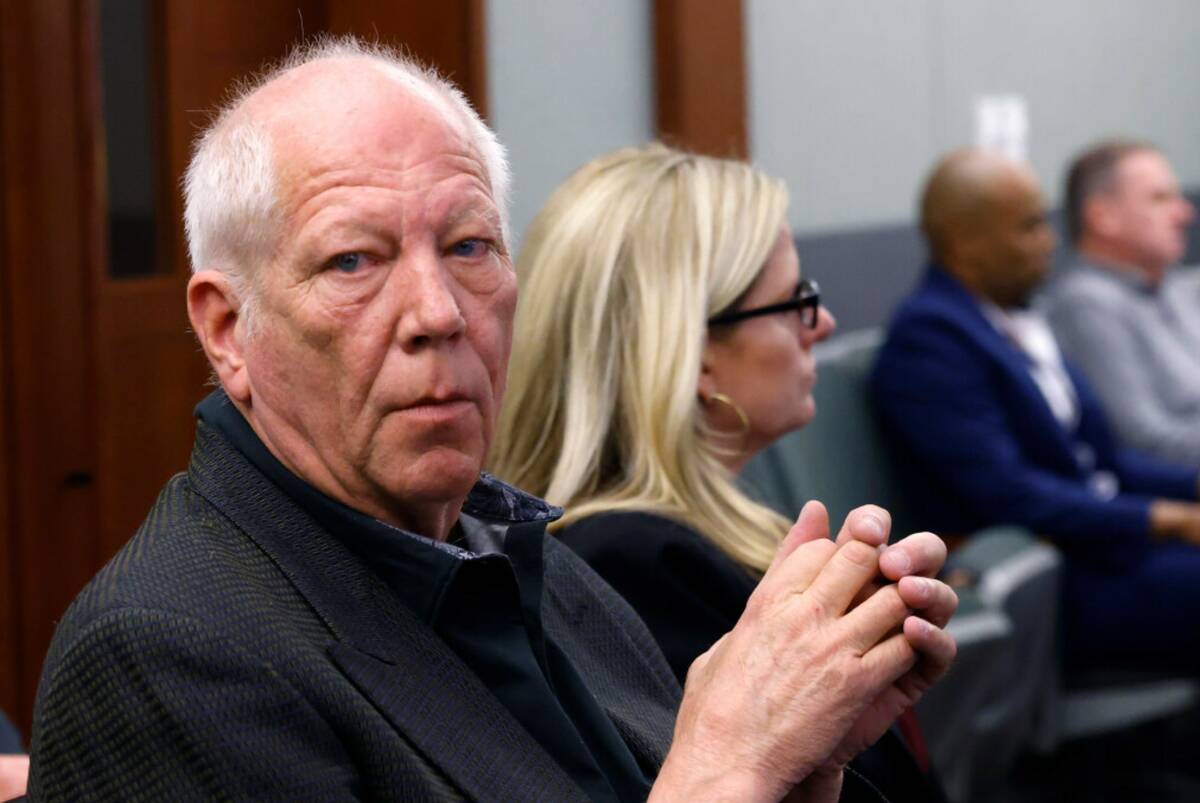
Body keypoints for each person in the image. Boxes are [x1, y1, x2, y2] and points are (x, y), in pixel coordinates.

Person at [28, 39, 957, 802]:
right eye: (355, 261)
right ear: (228, 330)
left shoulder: (524, 557)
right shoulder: (170, 651)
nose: (437, 311)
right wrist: (730, 767)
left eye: (470, 246)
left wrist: (802, 758)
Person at [490, 143, 950, 803]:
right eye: (795, 300)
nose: (822, 323)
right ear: (696, 354)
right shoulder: (635, 566)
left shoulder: (663, 540)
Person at [871, 148, 1200, 668]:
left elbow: (1100, 460)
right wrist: (1167, 518)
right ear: (965, 241)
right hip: (1054, 575)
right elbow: (1010, 493)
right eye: (1028, 228)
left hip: (1110, 546)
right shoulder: (930, 340)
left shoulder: (1013, 317)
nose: (1049, 242)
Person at [1042, 140, 1200, 465]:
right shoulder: (1087, 304)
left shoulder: (1177, 286)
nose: (1184, 213)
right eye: (1160, 199)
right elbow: (1143, 444)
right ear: (1103, 217)